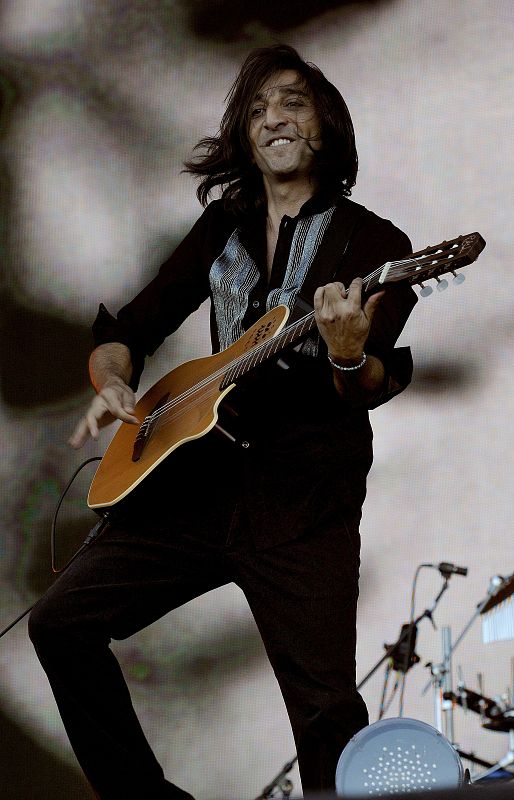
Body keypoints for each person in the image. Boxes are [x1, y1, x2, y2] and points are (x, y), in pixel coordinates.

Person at [29, 44, 417, 799]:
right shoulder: (223, 229)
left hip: (304, 503)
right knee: (59, 625)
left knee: (327, 716)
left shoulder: (380, 248)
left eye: (294, 102)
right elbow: (132, 327)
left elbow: (369, 380)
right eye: (258, 108)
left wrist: (345, 355)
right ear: (244, 135)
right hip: (197, 484)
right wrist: (112, 379)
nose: (275, 117)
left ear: (324, 126)